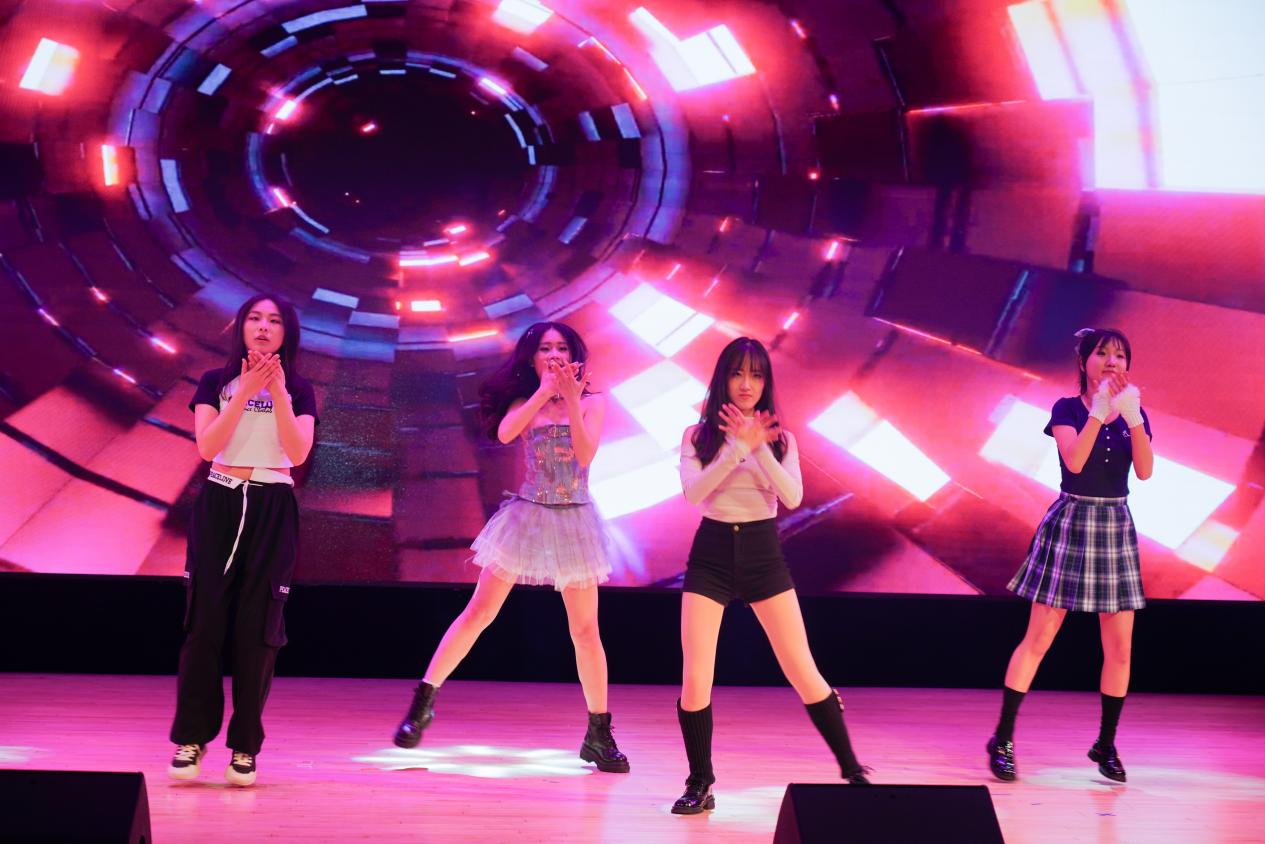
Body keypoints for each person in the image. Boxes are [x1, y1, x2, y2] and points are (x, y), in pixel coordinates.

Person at [391, 322, 629, 773]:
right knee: (479, 612)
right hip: (528, 514)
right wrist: (544, 393)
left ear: (575, 356)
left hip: (575, 519)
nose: (554, 355)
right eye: (545, 348)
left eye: (562, 347)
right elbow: (504, 434)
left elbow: (585, 455)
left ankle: (599, 735)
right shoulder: (525, 402)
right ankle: (422, 704)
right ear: (532, 358)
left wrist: (571, 400)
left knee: (585, 631)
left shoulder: (593, 403)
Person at [671, 337, 869, 815]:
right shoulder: (697, 436)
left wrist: (757, 449)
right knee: (696, 676)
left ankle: (852, 770)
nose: (746, 384)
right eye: (738, 373)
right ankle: (700, 782)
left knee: (802, 669)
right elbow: (694, 494)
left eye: (756, 375)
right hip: (712, 556)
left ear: (766, 384)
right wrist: (735, 449)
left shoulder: (783, 440)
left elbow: (792, 497)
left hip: (763, 556)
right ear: (723, 378)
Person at [988, 328, 1153, 784]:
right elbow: (1075, 462)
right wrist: (1099, 411)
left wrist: (1133, 418)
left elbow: (1144, 471)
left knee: (1120, 648)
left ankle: (1106, 743)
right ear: (1084, 361)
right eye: (1103, 353)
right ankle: (1002, 738)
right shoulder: (1066, 408)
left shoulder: (1133, 410)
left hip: (1114, 524)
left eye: (1120, 355)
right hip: (1073, 520)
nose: (1112, 361)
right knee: (1038, 639)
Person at [168, 294, 318, 787]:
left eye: (274, 320)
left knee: (259, 630)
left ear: (287, 333)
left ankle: (244, 748)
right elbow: (209, 445)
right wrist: (246, 389)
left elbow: (297, 453)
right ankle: (192, 738)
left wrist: (275, 391)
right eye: (255, 318)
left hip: (273, 504)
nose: (263, 327)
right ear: (241, 327)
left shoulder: (301, 390)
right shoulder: (215, 381)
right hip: (220, 500)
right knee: (204, 624)